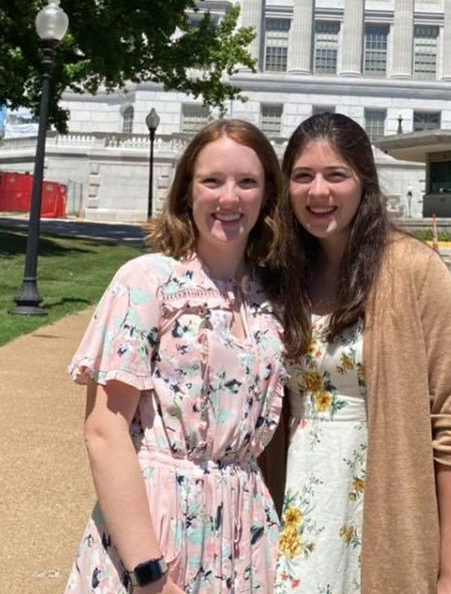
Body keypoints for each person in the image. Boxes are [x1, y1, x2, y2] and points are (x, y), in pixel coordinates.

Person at [64, 119, 287, 594]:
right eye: (212, 181)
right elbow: (104, 432)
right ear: (188, 192)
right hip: (157, 526)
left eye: (247, 182)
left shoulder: (270, 299)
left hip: (246, 530)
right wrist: (149, 574)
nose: (230, 198)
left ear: (267, 196)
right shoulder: (149, 281)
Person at [270, 113, 451, 594]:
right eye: (303, 176)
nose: (318, 192)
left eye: (336, 175)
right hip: (296, 495)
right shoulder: (281, 271)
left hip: (383, 490)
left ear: (364, 181)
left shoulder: (414, 269)